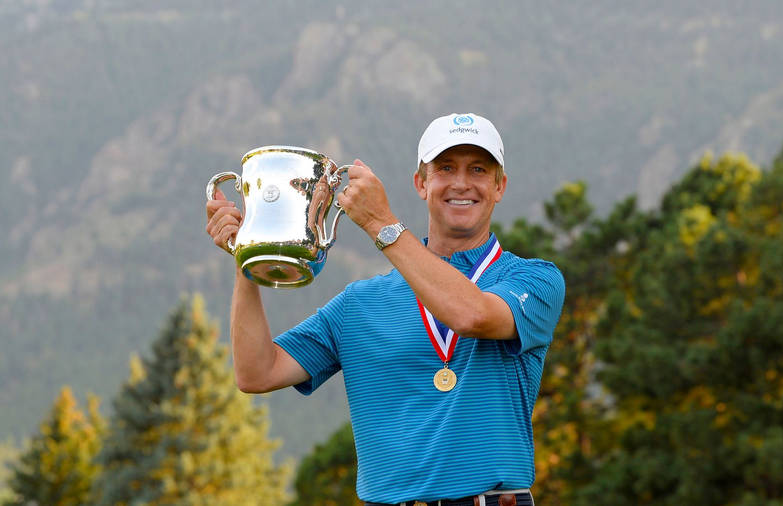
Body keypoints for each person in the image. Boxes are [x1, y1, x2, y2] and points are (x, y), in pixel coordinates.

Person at [205, 113, 565, 506]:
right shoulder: (359, 303)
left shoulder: (534, 279)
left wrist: (381, 223)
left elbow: (472, 316)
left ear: (499, 187)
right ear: (421, 183)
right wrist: (249, 257)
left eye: (478, 169)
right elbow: (257, 372)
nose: (461, 183)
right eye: (445, 168)